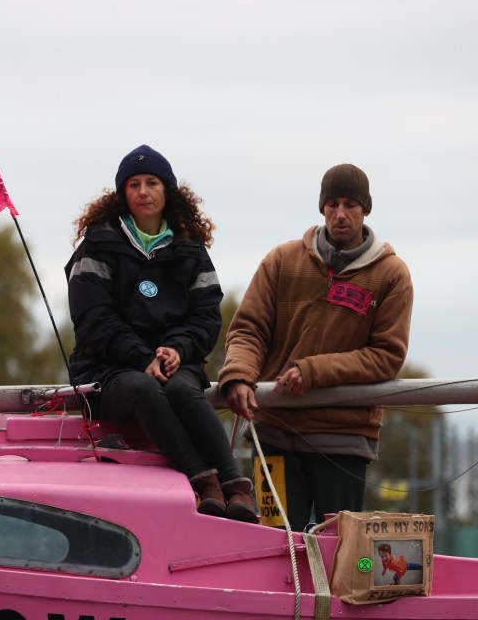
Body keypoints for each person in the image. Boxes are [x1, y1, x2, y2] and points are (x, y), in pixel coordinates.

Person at [65, 144, 258, 523]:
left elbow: (206, 316)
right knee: (143, 387)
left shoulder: (190, 250)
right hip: (109, 371)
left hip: (174, 363)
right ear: (123, 193)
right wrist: (142, 358)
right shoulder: (98, 246)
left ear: (168, 190)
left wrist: (176, 350)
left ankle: (236, 487)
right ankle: (205, 484)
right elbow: (93, 319)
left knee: (183, 388)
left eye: (152, 182)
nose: (143, 191)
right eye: (133, 184)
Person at [218, 163, 413, 531]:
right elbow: (248, 330)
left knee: (341, 552)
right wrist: (240, 375)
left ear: (365, 209)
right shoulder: (282, 262)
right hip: (274, 431)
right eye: (333, 204)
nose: (341, 214)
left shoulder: (392, 275)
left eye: (351, 205)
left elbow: (387, 356)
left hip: (343, 439)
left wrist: (313, 371)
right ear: (322, 208)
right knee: (272, 545)